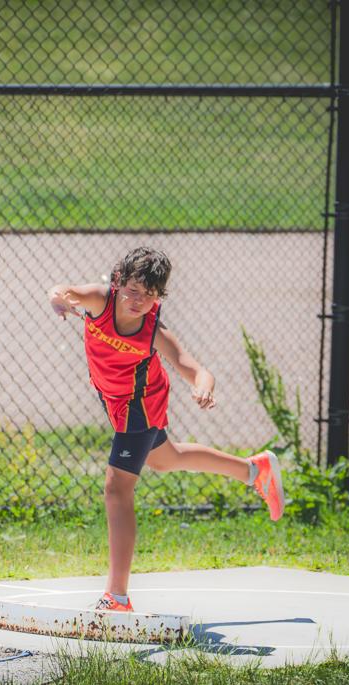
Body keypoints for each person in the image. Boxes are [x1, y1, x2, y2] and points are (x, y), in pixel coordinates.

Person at [47, 246, 285, 613]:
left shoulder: (153, 331)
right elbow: (61, 290)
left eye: (149, 294)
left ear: (159, 297)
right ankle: (254, 470)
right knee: (165, 459)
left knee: (117, 489)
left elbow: (196, 370)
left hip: (141, 403)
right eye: (133, 291)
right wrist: (59, 300)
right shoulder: (99, 300)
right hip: (113, 399)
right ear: (117, 282)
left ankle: (117, 597)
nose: (139, 301)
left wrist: (203, 387)